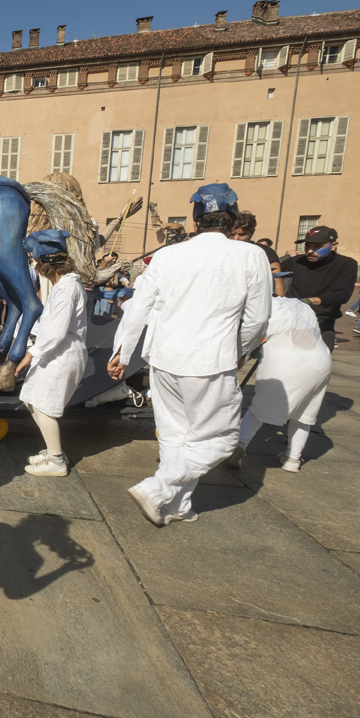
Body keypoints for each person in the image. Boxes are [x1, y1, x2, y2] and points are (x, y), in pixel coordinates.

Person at [109, 184, 271, 526]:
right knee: (221, 438)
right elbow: (257, 319)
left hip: (164, 359)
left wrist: (122, 352)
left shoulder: (168, 255)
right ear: (231, 220)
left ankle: (175, 506)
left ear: (195, 221)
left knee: (175, 434)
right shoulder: (251, 255)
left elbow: (138, 308)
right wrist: (241, 350)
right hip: (210, 360)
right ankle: (159, 487)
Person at [226, 297, 332, 473]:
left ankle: (239, 447)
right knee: (303, 413)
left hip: (284, 360)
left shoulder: (263, 305)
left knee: (259, 409)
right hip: (320, 360)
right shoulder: (301, 306)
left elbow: (251, 337)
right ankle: (293, 459)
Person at [15, 231, 89, 477]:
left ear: (48, 265)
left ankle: (57, 461)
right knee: (30, 399)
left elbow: (57, 331)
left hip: (62, 355)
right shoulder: (62, 287)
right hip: (53, 353)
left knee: (44, 406)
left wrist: (30, 354)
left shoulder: (67, 289)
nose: (37, 268)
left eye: (38, 264)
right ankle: (52, 449)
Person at [281, 225, 357, 351]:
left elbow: (342, 295)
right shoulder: (296, 261)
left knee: (319, 363)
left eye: (317, 247)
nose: (310, 251)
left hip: (322, 322)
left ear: (333, 245)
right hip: (291, 320)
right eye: (308, 246)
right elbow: (272, 273)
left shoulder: (346, 264)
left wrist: (310, 301)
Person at [231, 213, 284, 296]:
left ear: (252, 232)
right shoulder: (220, 251)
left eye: (242, 234)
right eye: (232, 234)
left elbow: (278, 288)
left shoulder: (266, 252)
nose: (236, 238)